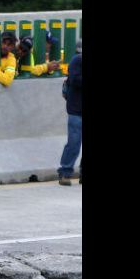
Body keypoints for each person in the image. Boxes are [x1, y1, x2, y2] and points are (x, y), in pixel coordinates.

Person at [58, 40, 82, 186]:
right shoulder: (76, 60)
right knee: (74, 143)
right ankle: (65, 172)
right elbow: (75, 80)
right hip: (76, 109)